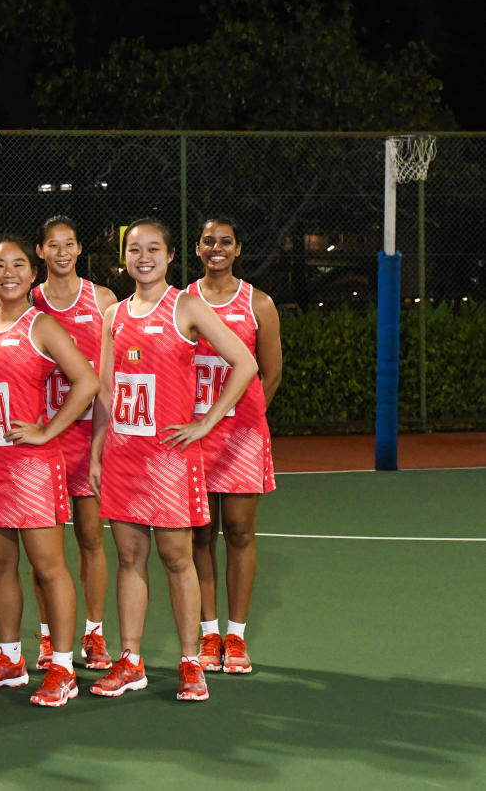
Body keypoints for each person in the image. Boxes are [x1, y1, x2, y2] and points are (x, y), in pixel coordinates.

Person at [88, 218, 257, 703]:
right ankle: (132, 661)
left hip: (169, 459)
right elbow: (105, 390)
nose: (143, 257)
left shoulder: (186, 306)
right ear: (125, 257)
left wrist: (206, 422)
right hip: (123, 456)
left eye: (153, 249)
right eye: (135, 249)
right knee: (129, 559)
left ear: (169, 254)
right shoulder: (114, 316)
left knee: (177, 559)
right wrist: (98, 452)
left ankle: (189, 663)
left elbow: (244, 363)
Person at [0, 235, 98, 708]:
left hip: (32, 467)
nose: (9, 272)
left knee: (49, 567)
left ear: (31, 274)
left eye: (18, 264)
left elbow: (88, 381)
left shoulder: (43, 326)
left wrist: (47, 429)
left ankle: (62, 667)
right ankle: (11, 658)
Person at [186, 217, 282, 675]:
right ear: (197, 248)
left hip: (241, 434)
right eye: (209, 241)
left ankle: (236, 637)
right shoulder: (182, 302)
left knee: (240, 530)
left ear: (238, 248)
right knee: (200, 534)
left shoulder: (257, 303)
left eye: (226, 241)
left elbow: (271, 372)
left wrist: (246, 416)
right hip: (194, 432)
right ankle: (208, 631)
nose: (217, 248)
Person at [31, 216, 117, 673]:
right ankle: (48, 637)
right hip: (40, 442)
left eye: (69, 243)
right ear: (40, 251)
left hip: (86, 437)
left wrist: (102, 448)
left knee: (89, 538)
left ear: (80, 248)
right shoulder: (30, 300)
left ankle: (94, 632)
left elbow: (106, 384)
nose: (61, 252)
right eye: (52, 245)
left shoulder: (102, 301)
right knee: (44, 546)